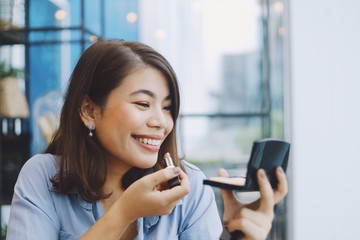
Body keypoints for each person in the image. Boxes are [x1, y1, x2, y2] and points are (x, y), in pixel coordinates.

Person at [6, 40, 287, 240]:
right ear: (89, 110)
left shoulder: (191, 190)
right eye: (142, 103)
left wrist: (242, 236)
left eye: (167, 107)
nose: (161, 122)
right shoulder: (42, 176)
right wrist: (124, 213)